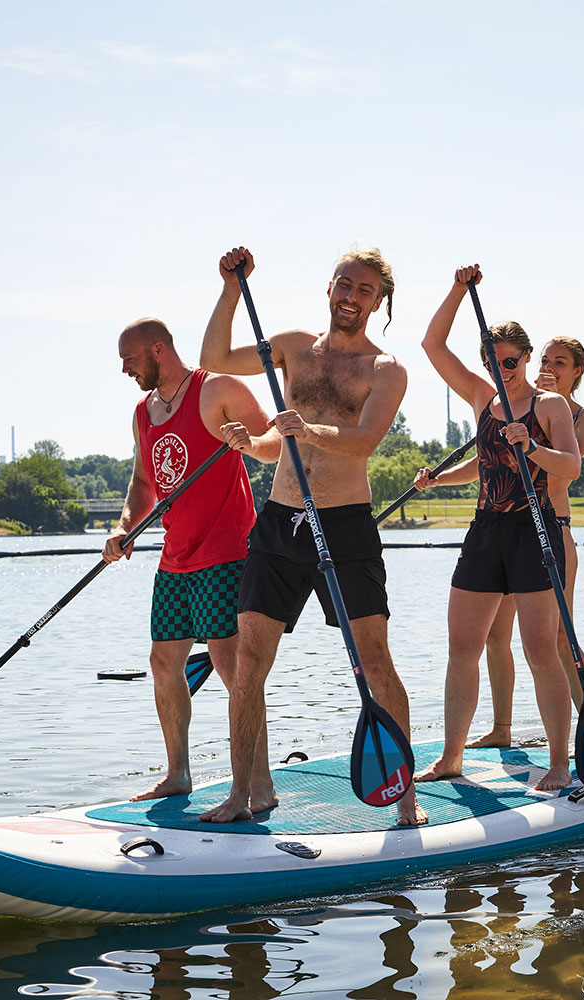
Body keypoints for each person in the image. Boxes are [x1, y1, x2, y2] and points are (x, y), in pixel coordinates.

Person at [198, 245, 426, 826]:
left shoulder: (386, 369)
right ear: (329, 288)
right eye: (345, 285)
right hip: (279, 523)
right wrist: (231, 288)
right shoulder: (295, 347)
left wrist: (310, 428)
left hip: (344, 526)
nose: (352, 298)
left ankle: (407, 798)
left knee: (375, 661)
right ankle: (244, 793)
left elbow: (364, 441)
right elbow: (215, 356)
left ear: (380, 303)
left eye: (365, 291)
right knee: (248, 662)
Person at [414, 264, 581, 792]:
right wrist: (459, 291)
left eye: (510, 361)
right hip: (485, 530)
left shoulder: (549, 404)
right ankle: (451, 757)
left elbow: (570, 466)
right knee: (463, 646)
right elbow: (432, 344)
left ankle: (558, 761)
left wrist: (530, 445)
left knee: (539, 648)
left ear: (527, 359)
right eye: (493, 359)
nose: (501, 367)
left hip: (535, 531)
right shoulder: (481, 397)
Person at [102, 318, 274, 805]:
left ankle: (260, 785)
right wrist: (124, 525)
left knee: (232, 668)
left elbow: (277, 442)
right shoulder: (142, 412)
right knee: (163, 662)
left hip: (226, 552)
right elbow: (141, 482)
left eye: (129, 359)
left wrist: (250, 444)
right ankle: (178, 773)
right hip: (176, 557)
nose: (124, 369)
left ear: (158, 350)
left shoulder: (216, 388)